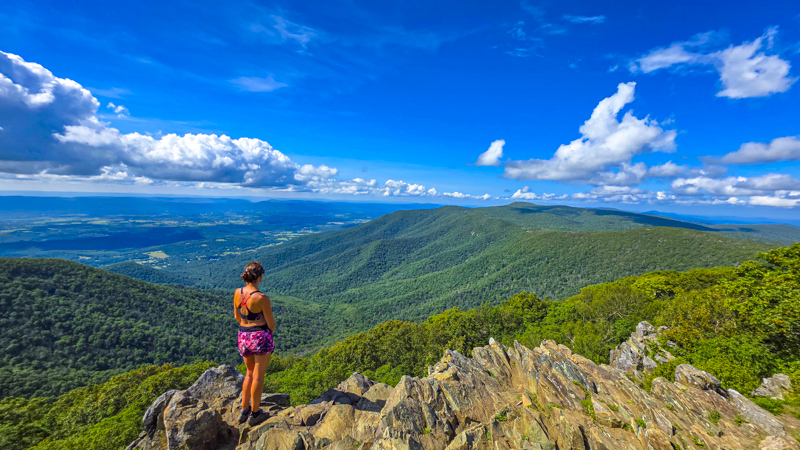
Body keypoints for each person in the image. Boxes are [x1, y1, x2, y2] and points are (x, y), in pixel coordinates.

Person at [234, 261, 275, 427]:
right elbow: (271, 324)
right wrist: (263, 326)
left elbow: (238, 317)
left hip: (243, 336)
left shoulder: (238, 292)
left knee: (249, 373)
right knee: (258, 375)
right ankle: (256, 413)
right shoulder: (262, 298)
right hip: (259, 337)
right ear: (260, 277)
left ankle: (244, 409)